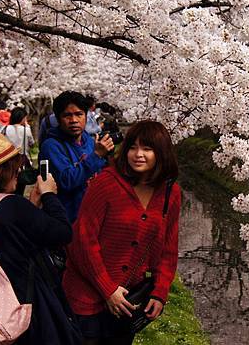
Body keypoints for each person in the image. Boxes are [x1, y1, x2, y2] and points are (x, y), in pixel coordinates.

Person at [63, 120, 181, 345]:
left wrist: (160, 292)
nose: (138, 154)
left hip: (127, 300)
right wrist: (108, 290)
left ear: (162, 153)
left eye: (147, 149)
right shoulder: (106, 184)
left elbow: (169, 246)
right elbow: (83, 241)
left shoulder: (170, 192)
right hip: (86, 296)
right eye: (133, 147)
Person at [0, 131, 80, 345]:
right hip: (21, 311)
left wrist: (31, 206)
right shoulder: (12, 206)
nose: (18, 173)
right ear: (1, 172)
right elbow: (62, 232)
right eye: (15, 167)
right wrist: (49, 195)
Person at [39, 91, 115, 222]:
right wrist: (96, 156)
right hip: (67, 220)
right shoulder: (51, 146)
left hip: (92, 216)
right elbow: (66, 181)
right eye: (67, 115)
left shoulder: (91, 142)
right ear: (58, 119)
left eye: (79, 114)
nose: (74, 120)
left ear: (86, 116)